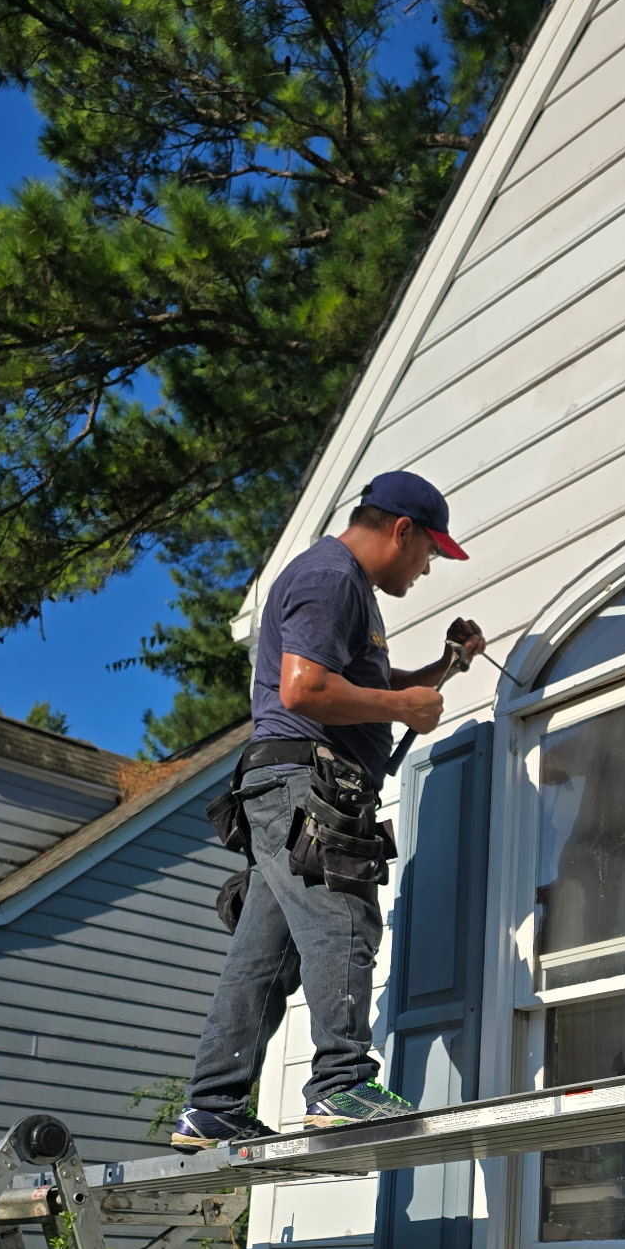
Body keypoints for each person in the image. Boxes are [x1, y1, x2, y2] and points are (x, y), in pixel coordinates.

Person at [172, 470, 485, 1149]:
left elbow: (369, 687)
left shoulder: (345, 587)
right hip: (304, 787)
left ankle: (213, 1107)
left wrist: (446, 665)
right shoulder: (330, 577)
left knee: (265, 959)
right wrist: (404, 707)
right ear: (401, 531)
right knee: (343, 918)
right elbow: (306, 687)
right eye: (429, 551)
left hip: (288, 788)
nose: (428, 567)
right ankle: (342, 1086)